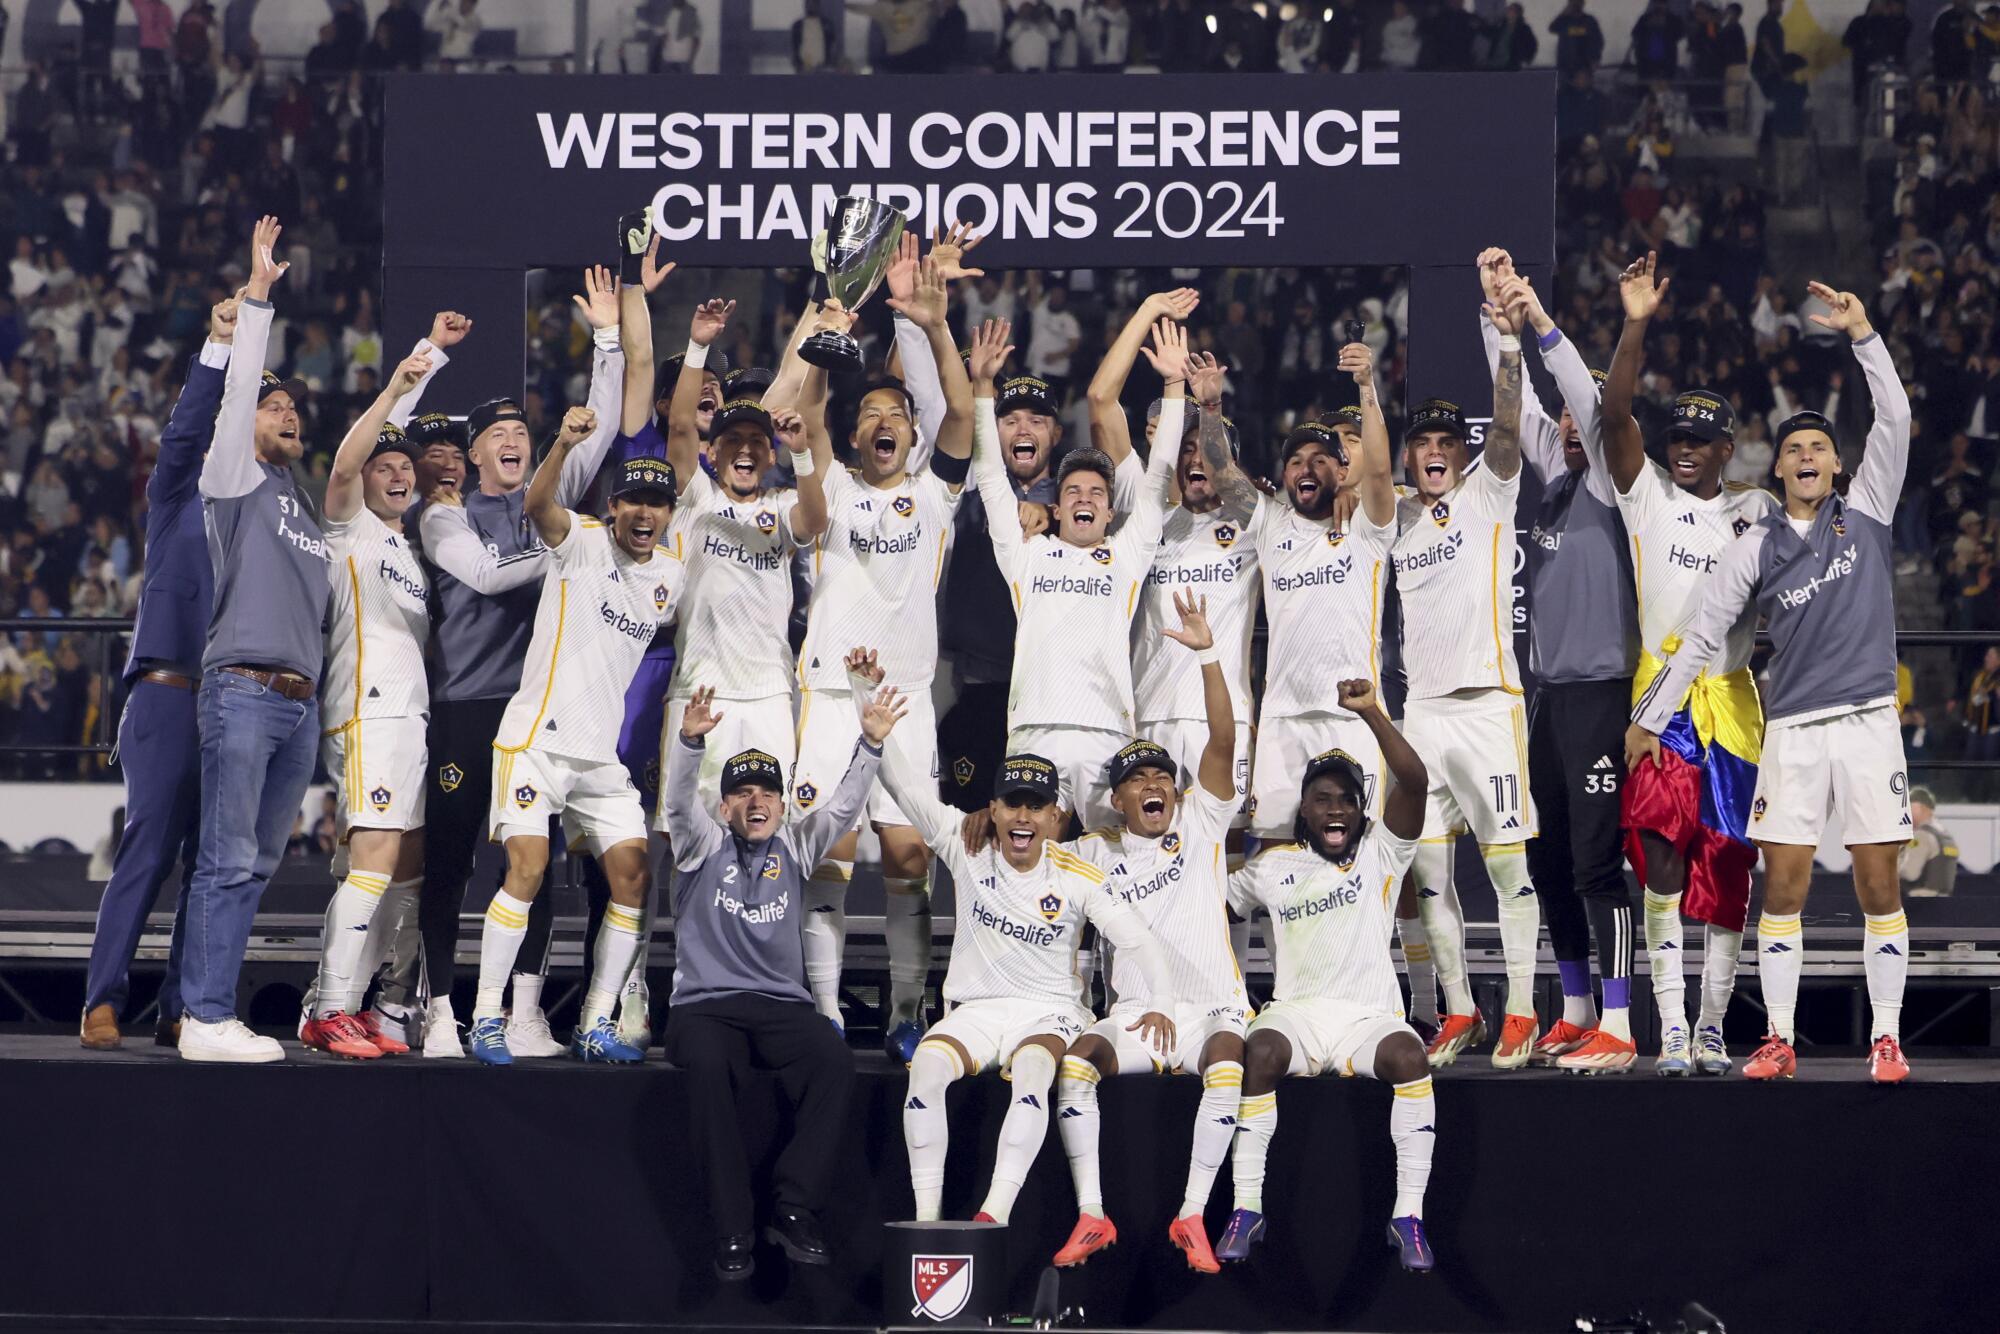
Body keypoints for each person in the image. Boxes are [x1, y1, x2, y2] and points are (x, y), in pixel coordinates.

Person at [1629, 281, 1915, 1085]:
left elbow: (1893, 418)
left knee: (1877, 879)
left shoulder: (1869, 511)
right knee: (1780, 887)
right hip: (1789, 725)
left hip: (1865, 721)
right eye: (1794, 449)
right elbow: (1700, 639)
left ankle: (1886, 1039)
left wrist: (1863, 336)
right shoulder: (1753, 544)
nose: (1808, 458)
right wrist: (1652, 715)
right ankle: (1779, 1038)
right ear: (1777, 466)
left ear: (1837, 463)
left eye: (1819, 448)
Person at [856, 648, 1178, 1227]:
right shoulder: (965, 842)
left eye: (1036, 805)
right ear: (994, 809)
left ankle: (993, 1217)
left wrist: (1163, 1003)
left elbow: (1138, 941)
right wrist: (869, 713)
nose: (1023, 817)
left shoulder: (1079, 875)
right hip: (976, 1008)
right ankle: (927, 1220)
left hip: (1048, 1012)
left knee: (1034, 1072)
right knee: (926, 1067)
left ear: (1055, 816)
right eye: (1012, 804)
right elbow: (905, 787)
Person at [412, 274, 621, 1058]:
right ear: (471, 454)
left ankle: (526, 1012)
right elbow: (495, 578)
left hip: (536, 710)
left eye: (521, 434)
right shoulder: (445, 515)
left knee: (533, 862)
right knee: (453, 861)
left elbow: (592, 433)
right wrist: (571, 543)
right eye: (496, 435)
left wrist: (606, 341)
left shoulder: (547, 494)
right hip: (467, 705)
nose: (511, 441)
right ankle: (439, 1012)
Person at [790, 255, 972, 1059]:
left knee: (907, 856)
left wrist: (933, 324)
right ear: (859, 432)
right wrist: (827, 357)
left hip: (902, 702)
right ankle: (825, 1011)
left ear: (910, 430)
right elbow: (810, 424)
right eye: (872, 413)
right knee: (826, 849)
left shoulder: (934, 491)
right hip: (832, 694)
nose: (885, 421)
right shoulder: (833, 489)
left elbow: (963, 415)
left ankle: (906, 1013)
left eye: (897, 411)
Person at [1602, 253, 1778, 1076]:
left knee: (1730, 859)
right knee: (1662, 859)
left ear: (1727, 447)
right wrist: (1636, 321)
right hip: (1658, 703)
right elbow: (1613, 417)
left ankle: (1713, 1025)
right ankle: (1670, 1025)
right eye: (1676, 438)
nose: (1684, 451)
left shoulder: (1757, 513)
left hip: (1734, 700)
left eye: (1700, 441)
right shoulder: (1648, 496)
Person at [660, 682, 902, 1281]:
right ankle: (732, 1227)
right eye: (742, 792)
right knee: (711, 1067)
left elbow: (844, 808)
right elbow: (676, 802)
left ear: (781, 803)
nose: (756, 800)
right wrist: (689, 741)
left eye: (767, 790)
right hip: (704, 1007)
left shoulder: (794, 844)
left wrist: (869, 743)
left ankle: (793, 1207)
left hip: (780, 1006)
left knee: (833, 1060)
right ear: (725, 808)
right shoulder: (699, 845)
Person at [464, 432, 683, 1065]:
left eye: (659, 503)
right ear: (613, 506)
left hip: (599, 756)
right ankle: (485, 1018)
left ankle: (594, 1022)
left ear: (669, 514)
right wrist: (561, 445)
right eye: (635, 501)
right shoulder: (580, 540)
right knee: (527, 870)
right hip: (536, 740)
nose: (646, 513)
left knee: (634, 879)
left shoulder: (669, 577)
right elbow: (537, 506)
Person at [1049, 592, 1249, 1275]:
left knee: (1229, 1058)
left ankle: (1191, 1213)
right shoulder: (1096, 851)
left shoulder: (1199, 824)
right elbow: (1029, 859)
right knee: (1076, 1066)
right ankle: (1091, 1213)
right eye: (1140, 779)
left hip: (1208, 1013)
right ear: (1119, 799)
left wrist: (1209, 656)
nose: (1156, 783)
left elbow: (1223, 742)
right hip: (1135, 1018)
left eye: (1164, 774)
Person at [1480, 254, 1643, 1072]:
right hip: (1549, 700)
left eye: (1582, 425)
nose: (1571, 431)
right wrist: (1493, 317)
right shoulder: (1548, 481)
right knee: (1547, 860)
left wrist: (1540, 319)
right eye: (1565, 430)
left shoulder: (1616, 487)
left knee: (1595, 864)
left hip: (1606, 697)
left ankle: (1620, 1021)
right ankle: (1576, 1006)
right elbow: (1526, 411)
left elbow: (1584, 398)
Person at [1220, 677, 1435, 1272]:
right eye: (1322, 798)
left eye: (1345, 798)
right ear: (1305, 812)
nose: (1335, 808)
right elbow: (1211, 912)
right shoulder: (1272, 867)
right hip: (1298, 1014)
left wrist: (1371, 713)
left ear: (1361, 809)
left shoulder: (1382, 853)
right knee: (1257, 1050)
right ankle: (1246, 1208)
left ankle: (1409, 1216)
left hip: (1368, 1017)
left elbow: (1415, 782)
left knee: (1411, 1060)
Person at [178, 217, 323, 1063]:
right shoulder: (231, 478)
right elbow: (233, 405)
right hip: (242, 689)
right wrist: (258, 299)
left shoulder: (300, 503)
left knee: (257, 864)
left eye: (294, 405)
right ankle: (203, 1016)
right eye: (275, 405)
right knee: (228, 861)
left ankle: (208, 1009)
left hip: (296, 709)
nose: (288, 412)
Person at [79, 291, 236, 1050]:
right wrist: (218, 350)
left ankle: (181, 1005)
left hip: (230, 703)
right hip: (167, 692)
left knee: (207, 866)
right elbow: (180, 435)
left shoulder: (251, 515)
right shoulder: (175, 496)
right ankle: (100, 1000)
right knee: (146, 849)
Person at [1391, 303, 1538, 1069]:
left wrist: (1508, 342)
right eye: (1425, 443)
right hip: (1422, 716)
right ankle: (1460, 1009)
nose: (1438, 452)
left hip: (1488, 708)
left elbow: (1508, 430)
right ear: (1411, 456)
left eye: (1450, 441)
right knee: (1429, 878)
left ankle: (1521, 1008)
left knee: (1509, 870)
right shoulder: (1396, 521)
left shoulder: (1489, 492)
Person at [969, 316, 1180, 830]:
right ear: (1057, 509)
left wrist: (1174, 387)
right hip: (1032, 733)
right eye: (1073, 492)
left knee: (1113, 868)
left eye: (1097, 494)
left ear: (1110, 513)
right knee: (1033, 862)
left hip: (1108, 734)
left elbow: (1157, 478)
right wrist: (981, 388)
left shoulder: (1127, 556)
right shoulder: (1027, 554)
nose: (1085, 498)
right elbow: (992, 477)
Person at [297, 349, 437, 1060]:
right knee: (373, 863)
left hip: (410, 720)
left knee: (406, 866)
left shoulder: (407, 549)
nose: (398, 473)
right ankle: (327, 1007)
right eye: (387, 465)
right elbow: (347, 467)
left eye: (406, 467)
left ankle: (382, 1007)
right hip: (367, 709)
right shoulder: (348, 528)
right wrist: (407, 379)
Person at [656, 295, 829, 815]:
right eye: (733, 441)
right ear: (713, 453)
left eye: (757, 440)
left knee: (771, 822)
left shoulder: (781, 506)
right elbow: (682, 426)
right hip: (699, 690)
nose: (745, 450)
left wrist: (801, 452)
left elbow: (816, 520)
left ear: (770, 455)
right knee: (688, 823)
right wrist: (697, 347)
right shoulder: (695, 499)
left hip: (770, 695)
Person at [1901, 787, 1958, 898]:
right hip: (1945, 901)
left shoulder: (1922, 835)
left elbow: (1910, 873)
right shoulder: (1944, 835)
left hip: (1920, 902)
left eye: (1909, 807)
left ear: (1921, 808)